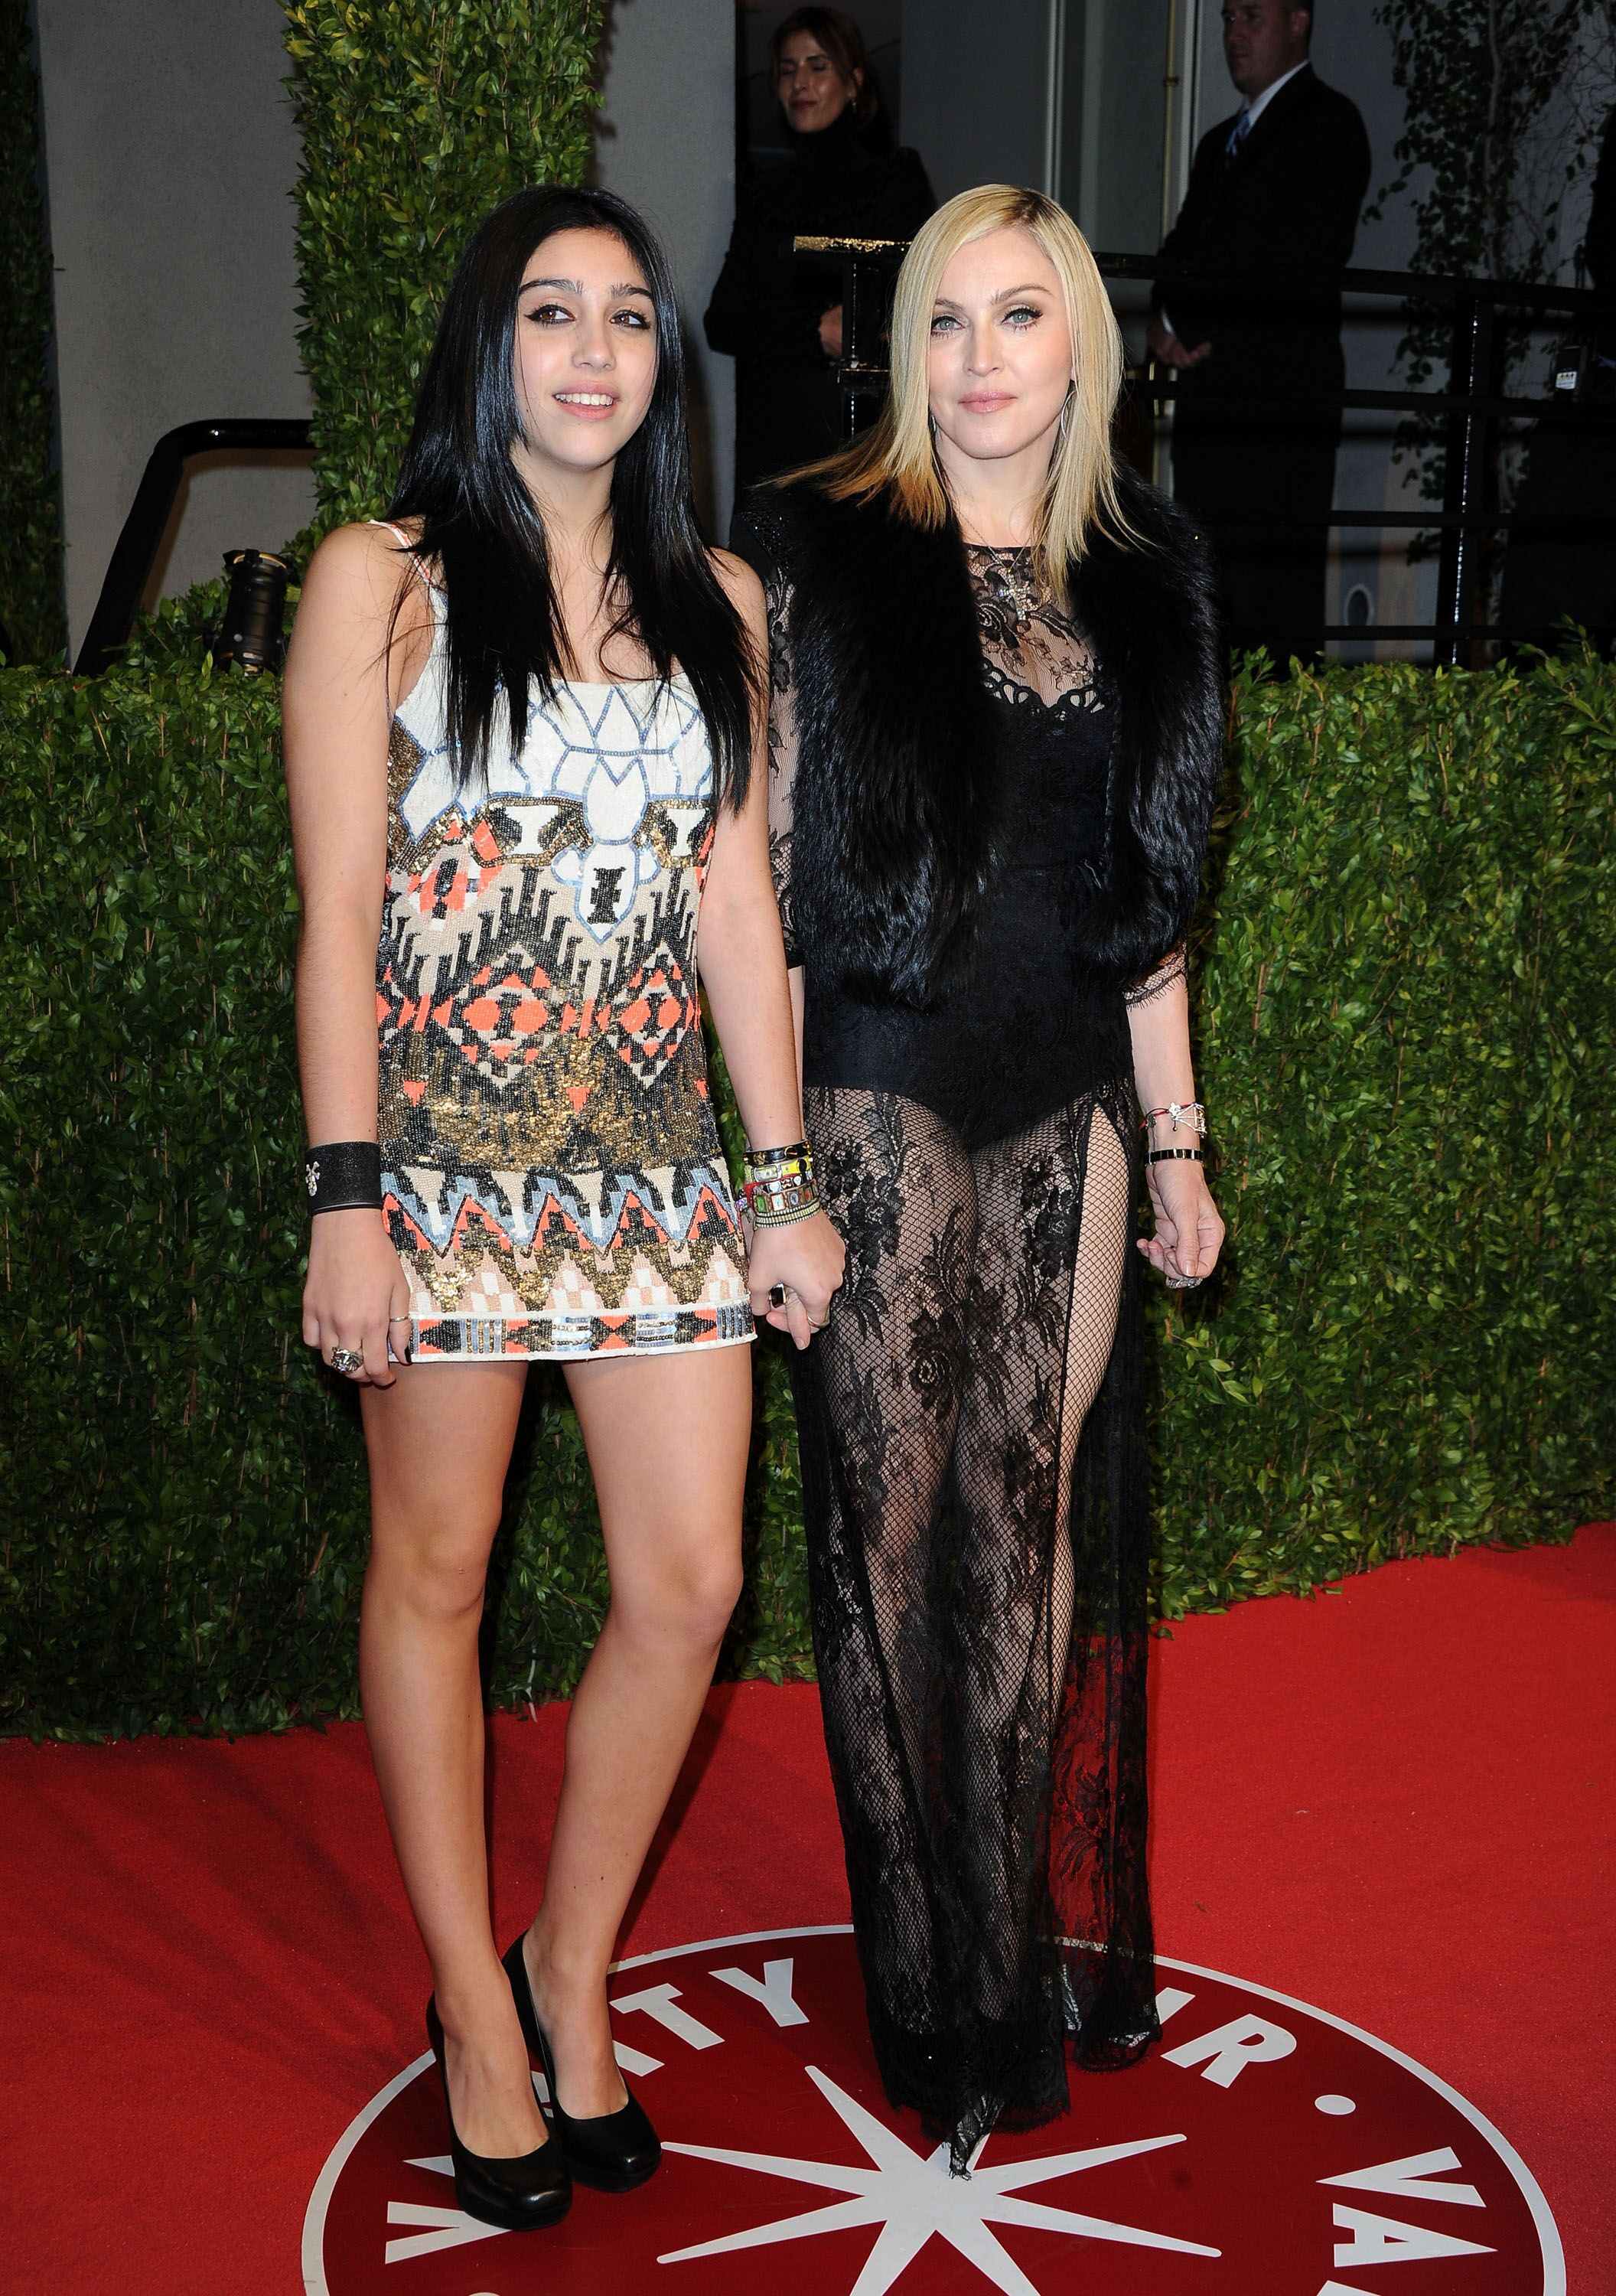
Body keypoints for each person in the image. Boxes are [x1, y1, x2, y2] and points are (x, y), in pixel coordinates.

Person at [282, 184, 842, 2233]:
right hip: (436, 1172)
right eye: (549, 311)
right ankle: (471, 2001)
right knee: (435, 1576)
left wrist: (778, 1188)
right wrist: (349, 1199)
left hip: (654, 1177)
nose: (594, 349)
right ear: (487, 347)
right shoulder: (385, 581)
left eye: (627, 317)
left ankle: (570, 1963)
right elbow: (337, 913)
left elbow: (736, 904)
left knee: (687, 1582)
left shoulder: (725, 605)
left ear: (659, 368)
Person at [734, 184, 1226, 2167]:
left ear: (1082, 347)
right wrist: (771, 1170)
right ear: (907, 349)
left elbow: (1154, 902)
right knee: (893, 1535)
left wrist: (1177, 1139)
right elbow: (759, 904)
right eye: (949, 320)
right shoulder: (828, 557)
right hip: (876, 1077)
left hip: (1068, 1103)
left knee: (1022, 1538)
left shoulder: (1155, 573)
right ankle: (926, 1988)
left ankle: (1005, 1954)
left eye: (1021, 317)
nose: (982, 357)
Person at [1150, 0, 1370, 668]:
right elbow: (1181, 247)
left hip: (1278, 403)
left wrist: (1195, 324)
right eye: (1227, 19)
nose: (1233, 34)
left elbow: (1296, 259)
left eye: (1251, 17)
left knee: (1274, 599)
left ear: (1299, 20)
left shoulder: (1329, 124)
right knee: (1207, 586)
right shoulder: (1220, 142)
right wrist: (1165, 323)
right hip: (1213, 404)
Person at [705, 6, 934, 490]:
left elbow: (911, 303)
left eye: (817, 65)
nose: (799, 82)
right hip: (770, 438)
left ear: (853, 82)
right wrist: (814, 330)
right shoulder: (761, 193)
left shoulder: (894, 178)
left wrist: (851, 332)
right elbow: (721, 322)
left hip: (857, 435)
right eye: (787, 70)